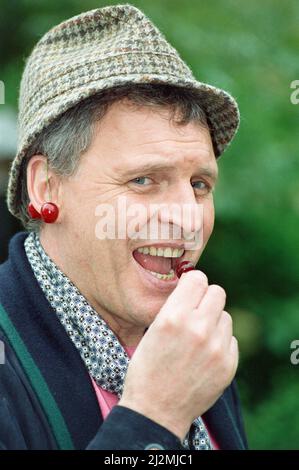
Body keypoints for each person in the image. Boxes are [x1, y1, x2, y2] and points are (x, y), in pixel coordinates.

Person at [0, 4, 247, 450]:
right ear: (45, 187)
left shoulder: (194, 344)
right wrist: (155, 417)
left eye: (199, 183)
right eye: (143, 180)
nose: (188, 217)